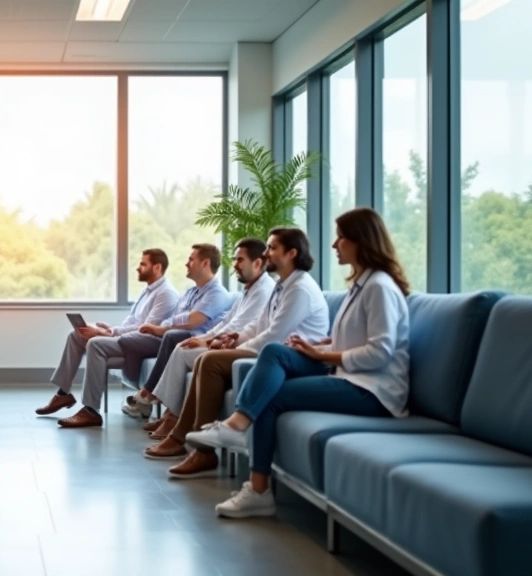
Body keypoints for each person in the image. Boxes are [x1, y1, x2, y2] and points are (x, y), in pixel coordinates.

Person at [187, 208, 409, 518]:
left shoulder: (379, 287)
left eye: (341, 238)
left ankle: (249, 461)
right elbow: (355, 339)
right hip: (352, 377)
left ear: (361, 242)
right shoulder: (361, 285)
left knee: (270, 384)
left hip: (374, 392)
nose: (334, 245)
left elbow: (380, 352)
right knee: (274, 360)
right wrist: (322, 344)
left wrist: (323, 355)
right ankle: (253, 474)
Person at [147, 229, 329, 477]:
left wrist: (236, 348)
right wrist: (236, 339)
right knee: (205, 360)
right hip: (273, 351)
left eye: (272, 248)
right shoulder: (283, 286)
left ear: (292, 253)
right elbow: (257, 326)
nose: (266, 254)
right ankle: (187, 440)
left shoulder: (299, 289)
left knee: (209, 361)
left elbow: (273, 336)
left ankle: (199, 450)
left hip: (289, 359)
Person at [132, 238, 274, 427]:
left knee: (179, 344)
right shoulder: (244, 290)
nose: (234, 265)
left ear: (257, 263)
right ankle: (171, 416)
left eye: (239, 260)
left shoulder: (239, 292)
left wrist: (207, 340)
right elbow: (227, 322)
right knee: (180, 347)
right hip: (222, 340)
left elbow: (201, 321)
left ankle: (171, 417)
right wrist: (203, 339)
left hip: (240, 347)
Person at [37, 249, 180, 428]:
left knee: (96, 344)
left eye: (143, 264)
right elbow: (132, 322)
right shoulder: (147, 291)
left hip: (145, 344)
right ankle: (62, 393)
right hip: (131, 339)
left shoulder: (166, 294)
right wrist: (110, 329)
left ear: (157, 267)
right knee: (77, 335)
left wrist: (105, 334)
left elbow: (145, 330)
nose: (138, 268)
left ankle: (91, 410)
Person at [117, 244, 234, 418]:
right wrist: (162, 327)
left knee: (171, 335)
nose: (187, 264)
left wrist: (162, 329)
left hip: (197, 337)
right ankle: (149, 398)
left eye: (191, 259)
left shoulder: (217, 293)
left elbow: (193, 320)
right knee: (167, 334)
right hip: (179, 335)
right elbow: (177, 318)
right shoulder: (189, 292)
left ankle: (148, 393)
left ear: (205, 263)